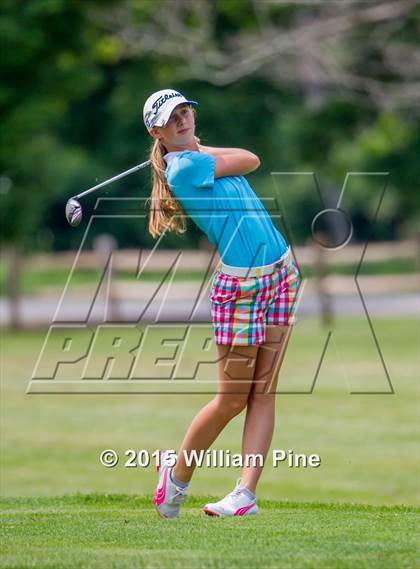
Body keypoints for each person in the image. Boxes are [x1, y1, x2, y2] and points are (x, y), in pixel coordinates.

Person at [143, 89, 301, 518]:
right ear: (156, 131)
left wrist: (189, 141)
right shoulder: (187, 167)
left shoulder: (193, 156)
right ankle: (175, 477)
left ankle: (245, 496)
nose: (182, 119)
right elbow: (251, 158)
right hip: (242, 290)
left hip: (282, 272)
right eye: (170, 118)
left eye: (185, 111)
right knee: (232, 400)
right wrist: (190, 145)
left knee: (264, 391)